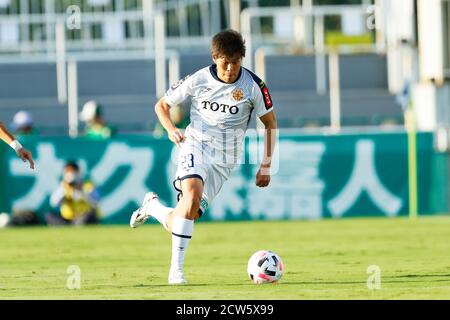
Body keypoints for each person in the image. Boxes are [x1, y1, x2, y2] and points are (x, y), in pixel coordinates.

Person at [130, 29, 277, 284]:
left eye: (236, 62)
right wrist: (170, 129)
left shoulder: (254, 86)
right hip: (195, 145)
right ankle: (176, 272)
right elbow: (162, 105)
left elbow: (270, 124)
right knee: (192, 195)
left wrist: (266, 165)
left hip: (225, 159)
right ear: (215, 57)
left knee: (186, 215)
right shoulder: (198, 79)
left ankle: (152, 207)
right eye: (225, 62)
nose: (230, 68)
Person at [46, 161, 100, 225]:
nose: (70, 174)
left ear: (78, 173)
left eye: (73, 172)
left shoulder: (87, 185)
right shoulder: (63, 186)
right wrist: (64, 190)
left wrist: (82, 193)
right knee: (49, 216)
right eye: (67, 172)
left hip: (83, 216)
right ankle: (67, 226)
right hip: (67, 218)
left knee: (88, 217)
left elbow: (95, 203)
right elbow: (54, 203)